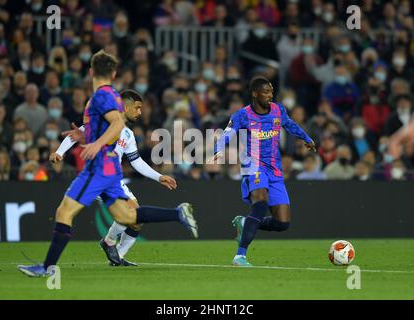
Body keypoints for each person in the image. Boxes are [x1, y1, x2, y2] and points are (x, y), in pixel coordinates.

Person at [17, 51, 196, 277]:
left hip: (99, 168)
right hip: (112, 171)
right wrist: (86, 138)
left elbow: (117, 123)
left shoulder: (101, 96)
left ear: (91, 71)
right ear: (113, 73)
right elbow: (108, 126)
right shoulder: (112, 96)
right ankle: (176, 213)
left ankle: (47, 268)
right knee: (128, 217)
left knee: (64, 212)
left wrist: (96, 143)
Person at [52, 89, 198, 266]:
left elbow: (136, 161)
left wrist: (159, 177)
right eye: (137, 108)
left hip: (114, 178)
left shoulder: (127, 134)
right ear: (125, 106)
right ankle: (109, 242)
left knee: (136, 221)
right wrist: (59, 152)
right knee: (133, 212)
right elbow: (75, 135)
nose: (140, 112)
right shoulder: (102, 123)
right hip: (97, 176)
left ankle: (118, 256)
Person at [211, 76, 315, 266]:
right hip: (254, 166)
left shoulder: (278, 110)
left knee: (282, 223)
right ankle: (240, 255)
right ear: (254, 93)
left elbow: (290, 124)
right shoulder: (242, 115)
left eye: (271, 92)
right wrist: (217, 149)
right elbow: (228, 133)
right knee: (260, 203)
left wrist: (306, 138)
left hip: (274, 170)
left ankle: (245, 223)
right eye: (266, 92)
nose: (270, 95)